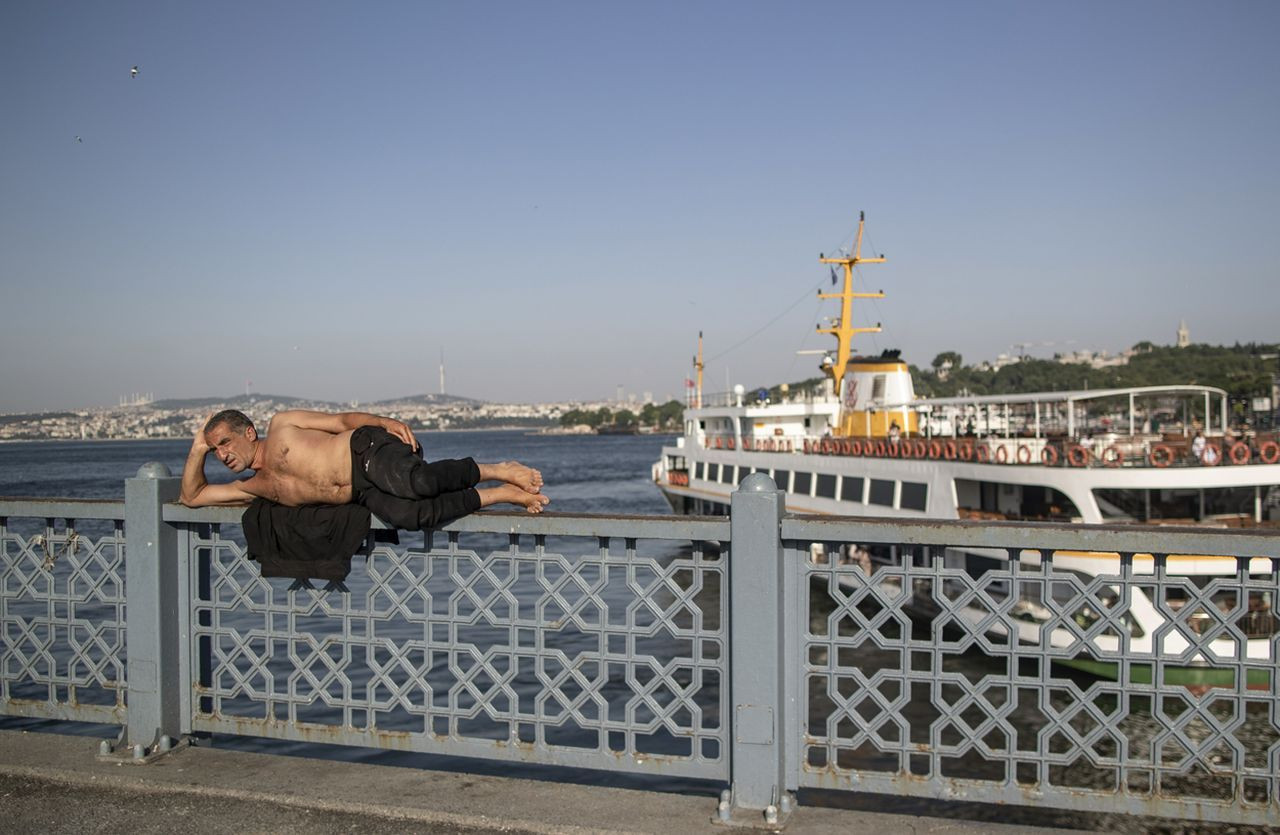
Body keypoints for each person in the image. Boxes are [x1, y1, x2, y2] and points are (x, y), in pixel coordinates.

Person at [180, 409, 549, 529]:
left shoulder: (282, 425)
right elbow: (192, 497)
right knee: (410, 516)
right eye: (215, 450)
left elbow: (341, 421)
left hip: (364, 449)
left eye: (225, 443)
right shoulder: (252, 487)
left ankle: (499, 469)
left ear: (249, 432)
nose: (222, 455)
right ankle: (500, 495)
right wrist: (198, 448)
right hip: (360, 491)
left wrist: (384, 422)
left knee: (419, 482)